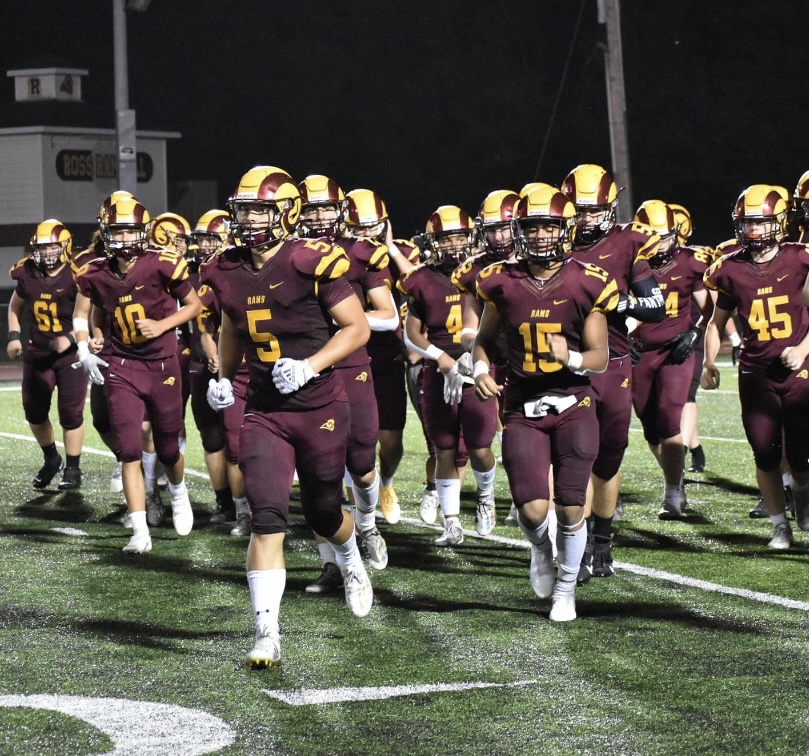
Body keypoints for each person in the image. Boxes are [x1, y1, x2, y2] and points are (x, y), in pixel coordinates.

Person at [201, 166, 374, 668]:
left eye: (260, 209)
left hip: (320, 405)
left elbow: (357, 328)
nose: (250, 220)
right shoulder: (226, 267)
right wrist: (223, 379)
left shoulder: (308, 258)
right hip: (265, 410)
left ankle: (350, 558)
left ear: (286, 212)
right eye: (245, 210)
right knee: (267, 517)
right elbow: (234, 325)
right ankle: (266, 634)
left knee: (323, 509)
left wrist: (311, 365)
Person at [472, 185, 616, 621]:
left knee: (572, 504)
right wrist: (479, 371)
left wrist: (568, 357)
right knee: (533, 510)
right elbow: (482, 342)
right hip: (522, 404)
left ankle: (567, 590)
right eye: (531, 228)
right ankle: (539, 550)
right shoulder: (500, 281)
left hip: (574, 400)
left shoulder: (587, 280)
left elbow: (599, 357)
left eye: (547, 227)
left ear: (564, 230)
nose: (538, 237)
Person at [71, 191, 202, 553]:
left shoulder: (162, 262)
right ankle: (140, 532)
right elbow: (82, 314)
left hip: (163, 364)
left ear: (143, 232)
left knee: (168, 448)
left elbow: (193, 306)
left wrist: (162, 326)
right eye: (118, 231)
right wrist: (84, 345)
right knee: (129, 449)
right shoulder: (93, 271)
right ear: (106, 232)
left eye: (131, 231)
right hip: (123, 366)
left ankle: (178, 491)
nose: (125, 239)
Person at [561, 164, 665, 584]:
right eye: (578, 210)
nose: (585, 219)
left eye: (593, 210)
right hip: (563, 365)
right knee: (574, 457)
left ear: (610, 206)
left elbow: (654, 305)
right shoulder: (549, 241)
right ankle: (578, 543)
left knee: (607, 459)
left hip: (613, 363)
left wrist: (618, 305)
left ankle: (602, 537)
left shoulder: (629, 243)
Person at [702, 184, 809, 549]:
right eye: (747, 223)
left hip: (798, 368)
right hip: (755, 371)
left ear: (778, 223)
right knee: (764, 451)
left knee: (800, 453)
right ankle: (780, 526)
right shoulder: (729, 269)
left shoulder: (800, 258)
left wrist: (803, 346)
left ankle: (801, 489)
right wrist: (707, 362)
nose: (753, 231)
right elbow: (716, 323)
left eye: (761, 223)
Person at [399, 205, 498, 544]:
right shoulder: (421, 279)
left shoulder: (483, 272)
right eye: (447, 238)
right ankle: (451, 522)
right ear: (433, 242)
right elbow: (411, 334)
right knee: (443, 448)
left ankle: (485, 498)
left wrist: (478, 360)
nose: (454, 245)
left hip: (477, 368)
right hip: (438, 369)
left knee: (480, 446)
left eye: (459, 237)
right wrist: (440, 357)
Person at [629, 200, 711, 519]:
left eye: (664, 236)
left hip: (676, 348)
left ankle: (673, 493)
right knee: (649, 426)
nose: (659, 243)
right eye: (653, 236)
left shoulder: (691, 262)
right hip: (641, 351)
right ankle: (675, 481)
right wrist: (625, 339)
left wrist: (694, 333)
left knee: (668, 416)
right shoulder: (629, 263)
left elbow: (709, 309)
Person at [344, 187, 418, 529]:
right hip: (348, 353)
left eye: (372, 227)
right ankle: (357, 504)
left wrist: (389, 250)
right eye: (359, 228)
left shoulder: (402, 252)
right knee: (350, 438)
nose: (367, 234)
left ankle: (385, 484)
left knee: (390, 441)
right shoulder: (340, 255)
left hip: (388, 354)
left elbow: (420, 287)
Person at [451, 188, 521, 529]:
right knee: (511, 434)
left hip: (538, 357)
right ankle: (522, 498)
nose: (498, 235)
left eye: (504, 227)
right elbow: (468, 327)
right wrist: (472, 355)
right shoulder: (474, 269)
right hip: (497, 358)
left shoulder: (541, 259)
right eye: (491, 228)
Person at [7, 219, 87, 490]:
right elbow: (15, 306)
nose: (47, 253)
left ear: (65, 247)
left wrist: (70, 338)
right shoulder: (27, 272)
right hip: (38, 352)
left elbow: (92, 315)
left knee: (70, 413)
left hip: (70, 355)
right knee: (34, 411)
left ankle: (73, 469)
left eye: (52, 247)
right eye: (42, 248)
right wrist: (14, 336)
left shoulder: (78, 274)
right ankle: (52, 458)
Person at [186, 209, 252, 536]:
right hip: (230, 371)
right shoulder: (211, 278)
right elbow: (207, 328)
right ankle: (238, 509)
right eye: (202, 239)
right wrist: (215, 356)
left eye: (212, 238)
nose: (205, 245)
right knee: (227, 442)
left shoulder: (271, 269)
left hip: (268, 368)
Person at [668, 203, 715, 474]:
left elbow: (717, 306)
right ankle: (694, 447)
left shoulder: (697, 259)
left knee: (686, 396)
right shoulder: (649, 260)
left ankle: (682, 454)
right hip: (664, 336)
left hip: (692, 332)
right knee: (675, 401)